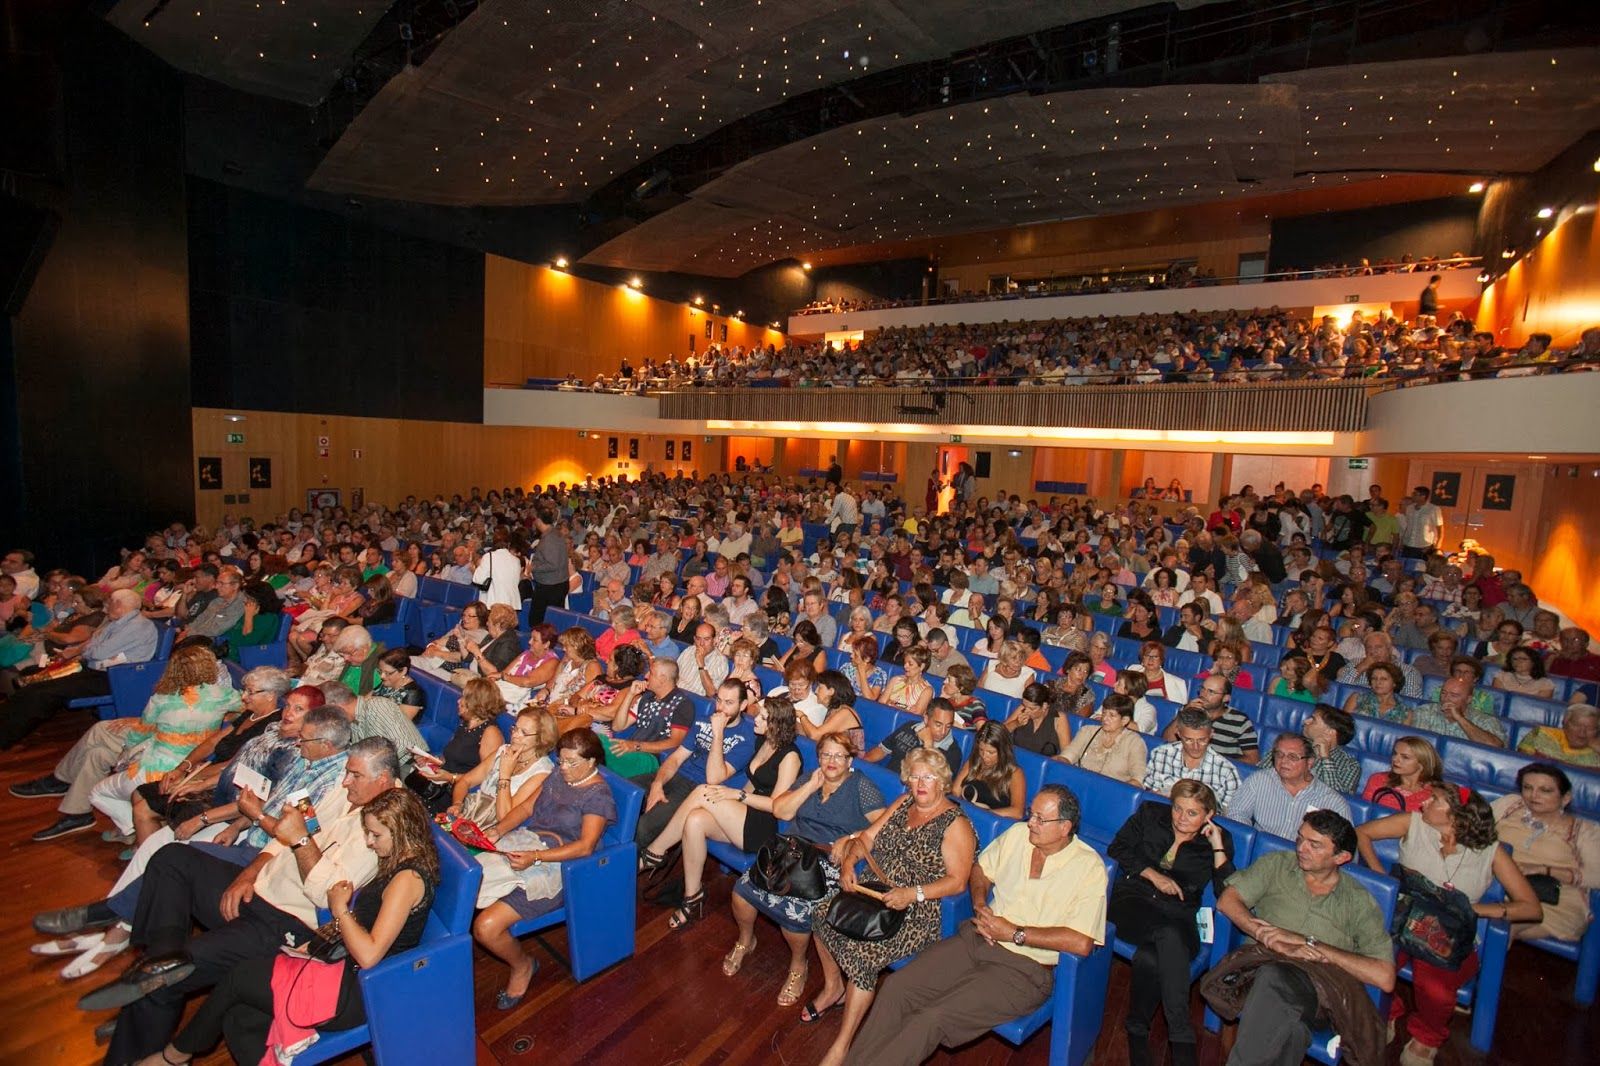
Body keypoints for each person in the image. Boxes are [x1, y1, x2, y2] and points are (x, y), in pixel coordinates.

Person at [85, 736, 400, 1064]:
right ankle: (160, 963)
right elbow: (288, 833)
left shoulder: (386, 824)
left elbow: (327, 893)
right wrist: (251, 870)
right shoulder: (346, 789)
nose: (345, 780)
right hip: (260, 888)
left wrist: (300, 839)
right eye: (346, 772)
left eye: (355, 775)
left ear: (383, 779)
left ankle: (146, 1009)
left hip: (288, 923)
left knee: (165, 974)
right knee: (171, 859)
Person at [134, 789, 440, 1066]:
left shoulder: (406, 880)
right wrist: (319, 945)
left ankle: (173, 1057)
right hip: (341, 969)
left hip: (360, 990)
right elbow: (370, 924)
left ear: (401, 831)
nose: (370, 843)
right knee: (240, 1019)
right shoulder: (397, 862)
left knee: (239, 979)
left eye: (375, 835)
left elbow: (371, 955)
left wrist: (339, 909)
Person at [844, 784, 1106, 1066]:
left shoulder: (1088, 867)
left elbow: (1082, 941)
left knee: (931, 1019)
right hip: (976, 940)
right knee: (896, 988)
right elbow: (980, 869)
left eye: (1041, 819)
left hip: (1024, 969)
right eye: (1031, 813)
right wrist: (980, 903)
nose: (1030, 821)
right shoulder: (1018, 836)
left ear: (1065, 827)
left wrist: (1015, 934)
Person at [805, 747, 977, 1066]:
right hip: (873, 890)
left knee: (865, 954)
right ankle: (833, 988)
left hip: (916, 908)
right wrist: (849, 863)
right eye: (914, 776)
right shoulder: (902, 804)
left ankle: (842, 1045)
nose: (920, 783)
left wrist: (913, 894)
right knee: (820, 912)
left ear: (942, 781)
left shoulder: (955, 824)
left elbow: (957, 881)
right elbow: (867, 838)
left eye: (928, 777)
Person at [1356, 784, 1542, 1066]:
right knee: (1374, 954)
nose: (1424, 802)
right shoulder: (1413, 822)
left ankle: (1426, 1036)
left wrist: (1471, 909)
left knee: (1434, 979)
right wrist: (1382, 876)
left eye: (1435, 800)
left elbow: (1530, 906)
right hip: (1407, 916)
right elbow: (1362, 832)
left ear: (1456, 815)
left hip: (1451, 933)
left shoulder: (1490, 851)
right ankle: (1388, 1012)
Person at [1210, 811, 1396, 1066]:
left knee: (1276, 979)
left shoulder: (1357, 901)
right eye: (1300, 838)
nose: (1301, 848)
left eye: (1314, 844)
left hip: (1316, 990)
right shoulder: (1277, 864)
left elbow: (1384, 977)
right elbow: (1228, 900)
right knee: (1293, 1030)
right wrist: (1266, 935)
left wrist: (1306, 943)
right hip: (1257, 968)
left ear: (1341, 857)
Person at [723, 731, 888, 1007]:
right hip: (792, 851)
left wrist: (849, 839)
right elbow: (781, 812)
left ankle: (799, 965)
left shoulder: (861, 786)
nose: (831, 761)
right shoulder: (811, 777)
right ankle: (745, 940)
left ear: (850, 760)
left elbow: (882, 829)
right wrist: (810, 787)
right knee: (742, 891)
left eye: (839, 755)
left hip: (829, 861)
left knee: (796, 915)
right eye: (826, 754)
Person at [470, 728, 617, 1009]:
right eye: (561, 760)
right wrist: (497, 831)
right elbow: (526, 809)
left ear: (592, 762)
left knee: (486, 928)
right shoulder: (558, 776)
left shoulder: (598, 796)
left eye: (572, 763)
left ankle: (523, 966)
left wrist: (536, 857)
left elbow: (586, 847)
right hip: (530, 844)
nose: (564, 768)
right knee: (467, 884)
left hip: (562, 868)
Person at [642, 695, 803, 930]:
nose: (755, 718)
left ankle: (654, 852)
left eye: (762, 717)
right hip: (745, 812)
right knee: (695, 820)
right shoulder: (763, 742)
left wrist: (736, 796)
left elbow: (777, 807)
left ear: (777, 724)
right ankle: (692, 897)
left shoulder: (790, 756)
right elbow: (752, 781)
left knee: (701, 791)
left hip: (762, 826)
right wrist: (729, 796)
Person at [1108, 782, 1234, 1066]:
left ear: (1208, 815)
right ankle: (1182, 1038)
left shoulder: (1218, 842)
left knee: (1153, 956)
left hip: (1179, 915)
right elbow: (1118, 847)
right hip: (1133, 901)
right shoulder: (1150, 813)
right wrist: (1153, 875)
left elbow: (1226, 889)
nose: (1180, 817)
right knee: (1167, 937)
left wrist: (1216, 846)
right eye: (1178, 808)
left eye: (1192, 813)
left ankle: (1137, 1028)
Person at [0, 587, 160, 749]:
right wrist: (89, 650)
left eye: (109, 602)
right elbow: (94, 644)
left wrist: (88, 650)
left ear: (118, 604)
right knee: (31, 675)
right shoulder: (119, 622)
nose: (106, 606)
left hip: (113, 678)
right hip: (95, 669)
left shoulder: (137, 626)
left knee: (41, 691)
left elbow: (97, 651)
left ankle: (4, 737)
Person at [634, 677, 758, 851]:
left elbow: (713, 778)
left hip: (699, 791)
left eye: (729, 703)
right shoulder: (703, 720)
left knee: (643, 827)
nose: (721, 708)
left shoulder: (746, 738)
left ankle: (629, 870)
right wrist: (657, 783)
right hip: (677, 777)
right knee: (624, 793)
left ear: (743, 705)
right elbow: (676, 758)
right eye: (719, 700)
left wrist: (718, 734)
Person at [1490, 762, 1600, 943]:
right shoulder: (1510, 805)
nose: (1534, 795)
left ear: (1565, 798)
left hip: (1553, 900)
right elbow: (1476, 827)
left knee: (1500, 923)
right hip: (1499, 885)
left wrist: (1542, 869)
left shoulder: (1584, 832)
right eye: (1527, 788)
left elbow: (1596, 876)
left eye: (1545, 790)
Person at [445, 707, 557, 842]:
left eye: (524, 733)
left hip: (494, 830)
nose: (515, 735)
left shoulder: (543, 772)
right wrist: (457, 803)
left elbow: (504, 817)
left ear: (541, 739)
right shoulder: (504, 750)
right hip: (472, 812)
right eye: (515, 728)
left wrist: (505, 773)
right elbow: (466, 781)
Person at [405, 676, 506, 813]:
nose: (459, 701)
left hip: (456, 795)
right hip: (440, 784)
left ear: (477, 703)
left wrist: (451, 778)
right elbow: (451, 758)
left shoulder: (490, 733)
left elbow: (486, 779)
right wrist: (431, 761)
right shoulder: (465, 724)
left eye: (464, 698)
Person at [1226, 734, 1351, 839]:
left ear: (1310, 762)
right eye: (1279, 755)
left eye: (1293, 757)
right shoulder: (1260, 780)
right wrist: (1252, 840)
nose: (1284, 761)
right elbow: (1237, 813)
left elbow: (1344, 847)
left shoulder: (1332, 802)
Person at [1143, 708, 1242, 808]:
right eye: (1189, 740)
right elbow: (1148, 795)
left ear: (1211, 734)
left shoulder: (1226, 771)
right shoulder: (1161, 754)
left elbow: (1230, 816)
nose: (1195, 747)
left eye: (1202, 740)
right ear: (1178, 734)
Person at [1384, 675, 1507, 747]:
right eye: (1443, 693)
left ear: (1469, 699)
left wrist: (1460, 718)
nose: (1446, 699)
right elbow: (1417, 745)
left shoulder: (1487, 721)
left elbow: (1495, 748)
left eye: (1454, 695)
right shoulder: (1425, 711)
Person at [1162, 674, 1259, 764]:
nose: (1203, 694)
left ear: (1226, 698)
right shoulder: (1189, 710)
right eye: (1202, 689)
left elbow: (1253, 759)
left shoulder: (1240, 720)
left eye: (1211, 692)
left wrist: (1216, 762)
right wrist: (1183, 713)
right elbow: (1166, 740)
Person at [1060, 692, 1148, 786]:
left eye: (1112, 715)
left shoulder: (1135, 743)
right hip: (1078, 783)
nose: (1105, 718)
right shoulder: (1087, 731)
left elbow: (1137, 780)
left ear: (1124, 720)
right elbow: (1066, 757)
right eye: (1104, 713)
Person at [865, 698, 962, 777]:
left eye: (948, 726)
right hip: (887, 780)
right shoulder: (909, 727)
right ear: (926, 718)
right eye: (938, 725)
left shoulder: (953, 752)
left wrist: (928, 745)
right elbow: (882, 750)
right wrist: (861, 763)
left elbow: (936, 784)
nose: (943, 732)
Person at [950, 721, 1025, 819]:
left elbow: (1017, 812)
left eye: (991, 752)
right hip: (965, 817)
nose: (985, 756)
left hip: (991, 821)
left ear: (1003, 751)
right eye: (981, 750)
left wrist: (982, 814)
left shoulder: (1014, 773)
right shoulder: (974, 761)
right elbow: (955, 791)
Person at [1362, 736, 1445, 812]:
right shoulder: (1378, 780)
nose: (1395, 759)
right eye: (1395, 753)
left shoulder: (1435, 795)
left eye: (1405, 757)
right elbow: (1365, 813)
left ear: (1422, 764)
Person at [1517, 703, 1600, 767]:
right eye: (1576, 725)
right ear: (1564, 723)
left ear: (1597, 731)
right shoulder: (1540, 734)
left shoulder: (1597, 753)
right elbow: (1521, 763)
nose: (1582, 733)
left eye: (1590, 729)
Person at [1002, 681, 1070, 759]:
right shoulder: (1022, 708)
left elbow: (1066, 754)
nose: (1026, 711)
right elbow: (999, 732)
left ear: (1044, 706)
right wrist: (1016, 723)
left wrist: (1048, 762)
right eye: (1025, 705)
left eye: (1032, 708)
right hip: (1014, 759)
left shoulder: (1059, 718)